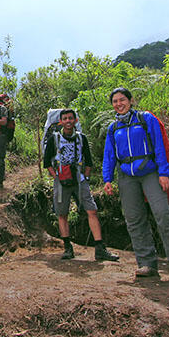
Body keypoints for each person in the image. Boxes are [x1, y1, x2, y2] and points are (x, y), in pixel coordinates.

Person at [102, 87, 169, 284]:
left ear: (131, 100)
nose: (119, 104)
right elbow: (109, 154)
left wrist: (164, 172)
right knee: (134, 219)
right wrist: (107, 179)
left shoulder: (146, 119)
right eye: (115, 101)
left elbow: (160, 144)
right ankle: (146, 264)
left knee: (163, 214)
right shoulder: (113, 128)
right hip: (127, 176)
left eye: (122, 100)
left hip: (151, 172)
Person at [43, 109, 119, 262]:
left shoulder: (81, 138)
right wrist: (56, 177)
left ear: (75, 120)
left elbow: (88, 161)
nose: (68, 121)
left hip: (80, 180)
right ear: (60, 122)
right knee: (62, 214)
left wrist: (87, 177)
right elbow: (46, 162)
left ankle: (99, 248)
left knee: (92, 211)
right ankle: (67, 248)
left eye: (71, 118)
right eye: (65, 119)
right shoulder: (54, 139)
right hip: (61, 182)